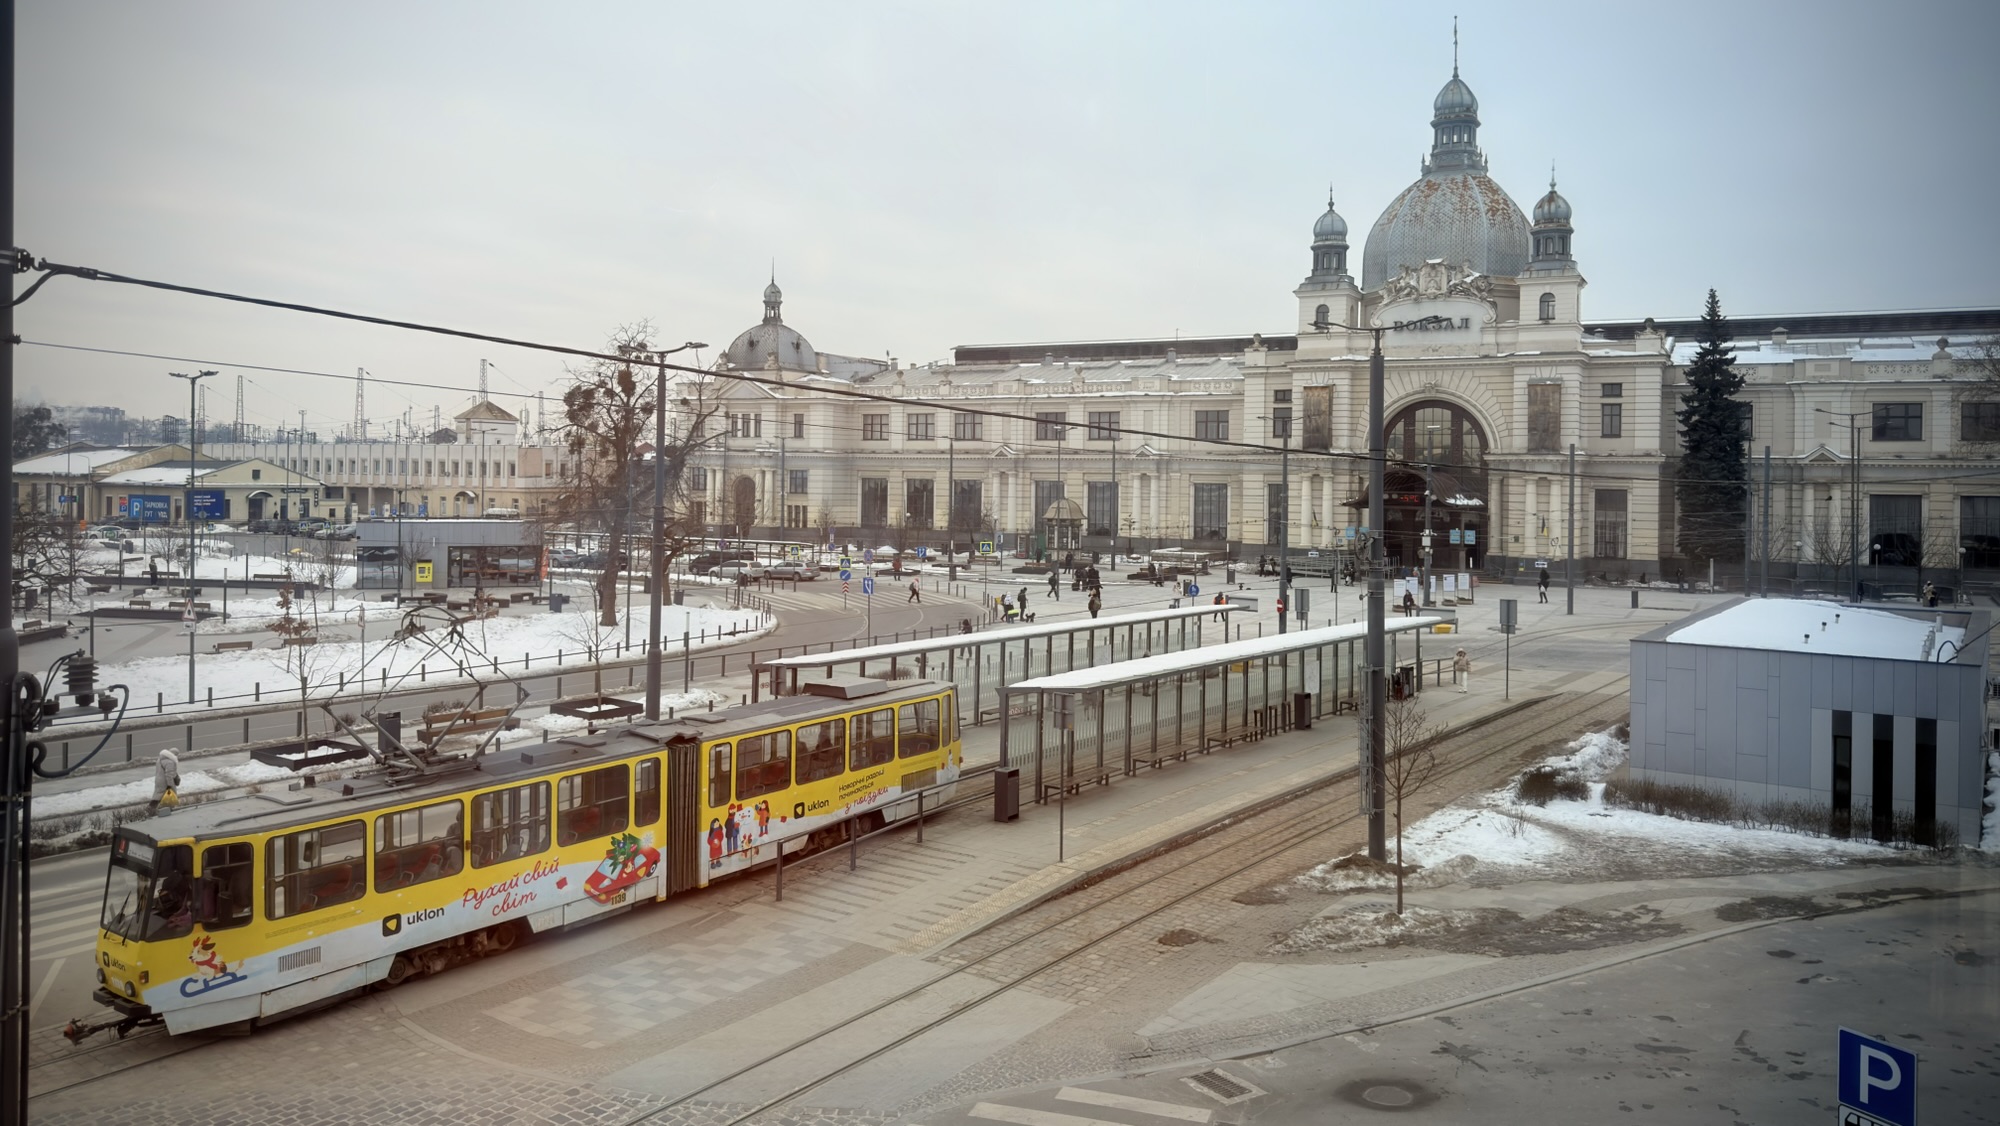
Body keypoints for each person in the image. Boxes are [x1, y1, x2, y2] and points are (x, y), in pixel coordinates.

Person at [150, 748, 181, 812]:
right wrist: (170, 785)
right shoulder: (170, 762)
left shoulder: (160, 759)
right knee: (170, 796)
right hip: (165, 782)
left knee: (157, 795)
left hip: (159, 780)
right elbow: (169, 775)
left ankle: (150, 809)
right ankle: (169, 809)